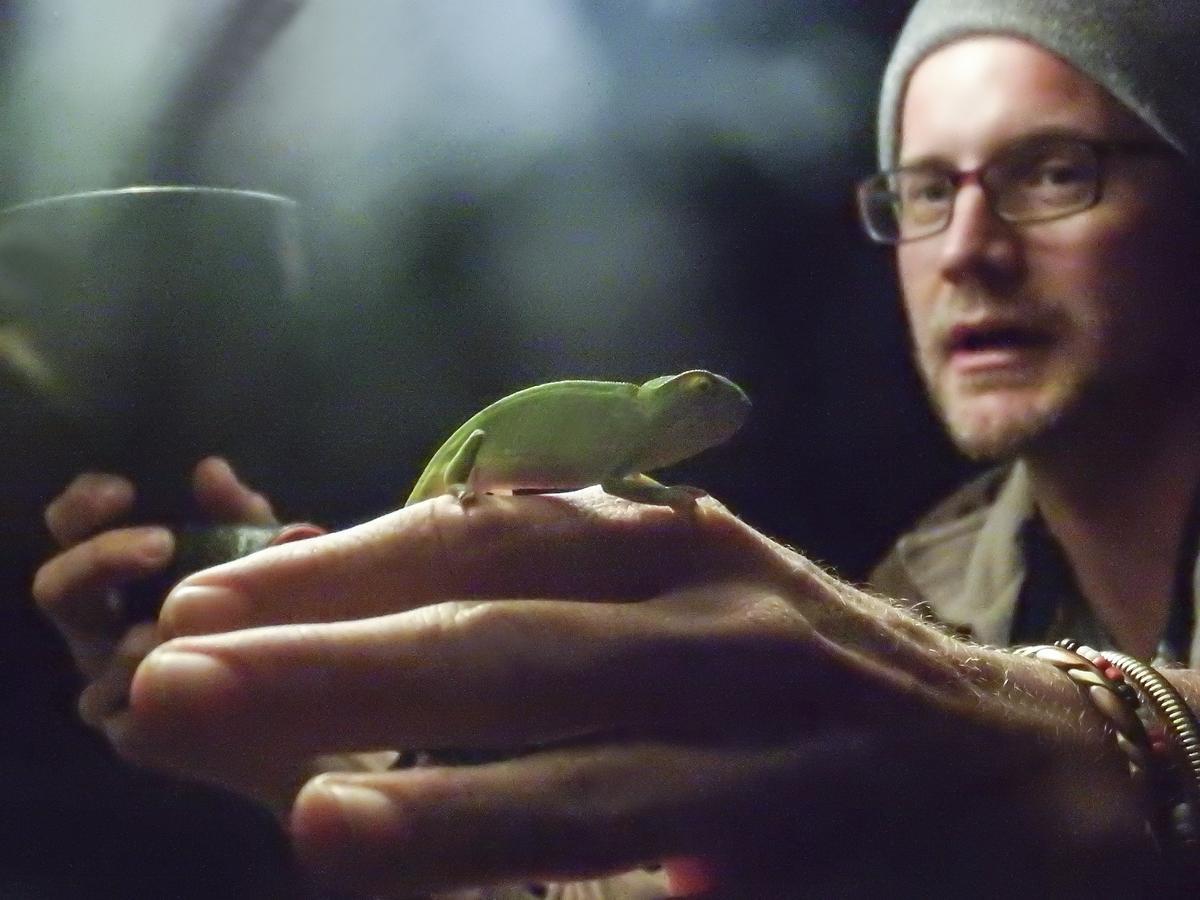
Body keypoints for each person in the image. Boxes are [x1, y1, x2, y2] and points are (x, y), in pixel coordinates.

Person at [31, 0, 1200, 895]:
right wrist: (349, 756)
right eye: (924, 189)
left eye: (1055, 171)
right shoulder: (942, 585)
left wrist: (1091, 749)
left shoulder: (920, 657)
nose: (968, 247)